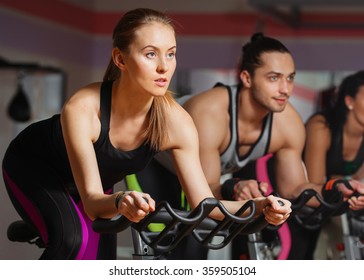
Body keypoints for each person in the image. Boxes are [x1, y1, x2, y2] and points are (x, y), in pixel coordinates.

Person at [2, 9, 291, 260]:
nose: (164, 66)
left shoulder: (176, 123)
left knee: (103, 260)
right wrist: (120, 200)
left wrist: (257, 207)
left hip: (93, 183)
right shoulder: (84, 107)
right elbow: (92, 201)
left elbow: (205, 204)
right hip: (35, 167)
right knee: (73, 243)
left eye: (171, 54)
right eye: (150, 54)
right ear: (121, 59)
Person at [129, 32, 364, 260]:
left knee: (196, 248)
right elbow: (206, 196)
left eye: (290, 77)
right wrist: (233, 186)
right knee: (163, 248)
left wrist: (337, 189)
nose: (285, 89)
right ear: (247, 78)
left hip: (198, 176)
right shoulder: (210, 113)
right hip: (153, 161)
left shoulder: (288, 123)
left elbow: (294, 189)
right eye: (274, 78)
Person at [304, 70, 364, 259]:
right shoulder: (321, 126)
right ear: (349, 101)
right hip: (303, 204)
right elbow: (315, 186)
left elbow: (358, 182)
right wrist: (343, 184)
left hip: (340, 207)